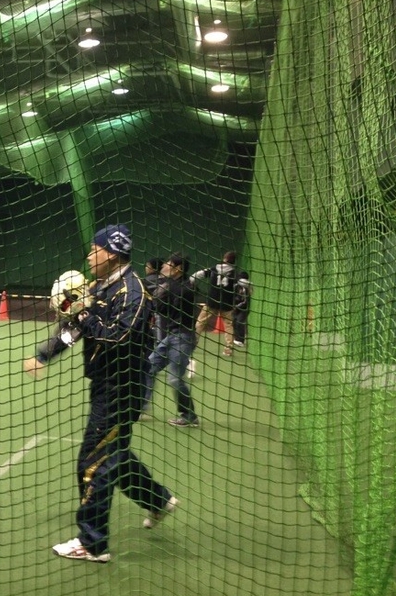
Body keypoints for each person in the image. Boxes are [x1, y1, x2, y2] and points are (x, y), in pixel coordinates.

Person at [23, 224, 178, 563]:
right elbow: (73, 330)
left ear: (112, 253)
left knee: (93, 463)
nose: (90, 257)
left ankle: (92, 544)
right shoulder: (99, 287)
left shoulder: (133, 292)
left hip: (122, 389)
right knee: (115, 454)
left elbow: (118, 337)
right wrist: (44, 355)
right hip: (105, 384)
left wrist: (84, 312)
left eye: (95, 251)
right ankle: (158, 500)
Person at [143, 253, 199, 428]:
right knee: (148, 368)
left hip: (183, 338)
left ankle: (189, 416)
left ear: (178, 269)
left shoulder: (184, 287)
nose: (163, 266)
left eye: (168, 264)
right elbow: (161, 308)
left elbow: (175, 297)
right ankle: (141, 407)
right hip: (172, 336)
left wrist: (162, 291)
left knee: (174, 379)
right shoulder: (170, 285)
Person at [191, 250, 238, 356]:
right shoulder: (235, 273)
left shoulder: (214, 268)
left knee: (200, 323)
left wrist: (191, 283)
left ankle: (192, 344)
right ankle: (228, 349)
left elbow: (198, 275)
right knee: (229, 326)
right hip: (227, 303)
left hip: (212, 301)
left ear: (224, 259)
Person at [232, 270, 252, 348]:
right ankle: (237, 339)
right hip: (236, 308)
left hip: (244, 309)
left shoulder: (246, 288)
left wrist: (236, 306)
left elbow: (245, 301)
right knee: (234, 322)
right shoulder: (235, 286)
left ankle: (241, 340)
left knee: (239, 322)